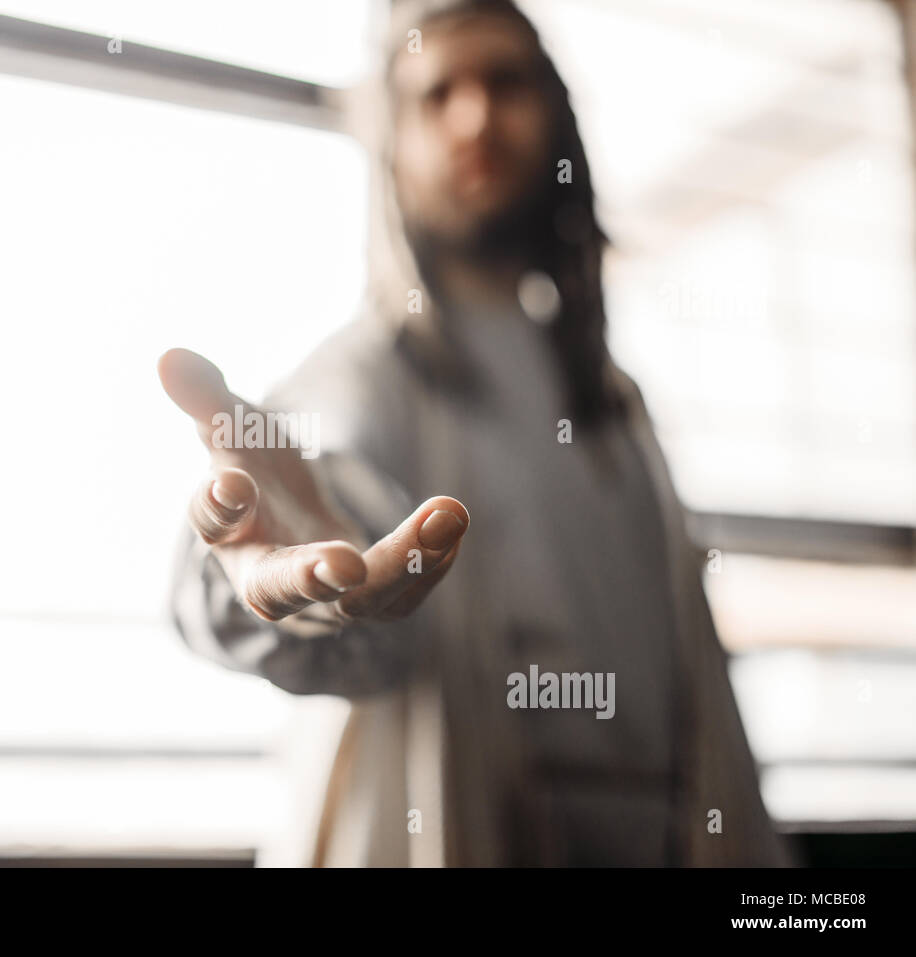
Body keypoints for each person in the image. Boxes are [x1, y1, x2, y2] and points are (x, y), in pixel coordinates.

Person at [158, 0, 792, 867]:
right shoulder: (369, 372)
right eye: (436, 94)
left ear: (560, 121)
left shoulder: (615, 403)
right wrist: (300, 576)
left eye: (505, 82)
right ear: (393, 149)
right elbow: (314, 514)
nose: (476, 116)